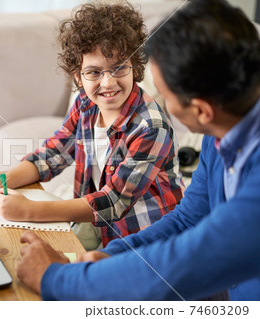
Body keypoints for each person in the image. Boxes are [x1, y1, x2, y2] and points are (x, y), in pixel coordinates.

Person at [16, 0, 260, 301]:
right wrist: (112, 257)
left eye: (166, 95)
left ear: (201, 111)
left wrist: (55, 279)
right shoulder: (221, 130)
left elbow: (187, 262)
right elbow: (188, 219)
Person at [0, 2, 184, 249]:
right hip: (96, 226)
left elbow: (113, 202)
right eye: (94, 72)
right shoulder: (85, 103)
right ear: (77, 77)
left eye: (119, 68)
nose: (108, 82)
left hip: (143, 238)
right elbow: (52, 155)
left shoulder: (151, 127)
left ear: (134, 66)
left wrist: (30, 210)